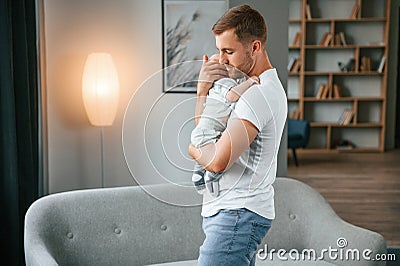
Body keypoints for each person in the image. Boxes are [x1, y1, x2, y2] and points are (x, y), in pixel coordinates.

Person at [188, 4, 287, 266]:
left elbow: (218, 161)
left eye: (228, 51)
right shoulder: (248, 89)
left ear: (254, 47)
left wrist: (192, 150)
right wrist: (202, 92)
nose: (220, 60)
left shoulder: (258, 94)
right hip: (232, 212)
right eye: (219, 50)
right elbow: (208, 131)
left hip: (237, 213)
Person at [191, 54, 260, 196]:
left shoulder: (215, 87)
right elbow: (232, 96)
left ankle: (198, 174)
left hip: (205, 132)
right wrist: (250, 82)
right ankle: (210, 175)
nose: (224, 61)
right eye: (220, 62)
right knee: (215, 160)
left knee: (205, 154)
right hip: (209, 132)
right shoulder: (225, 83)